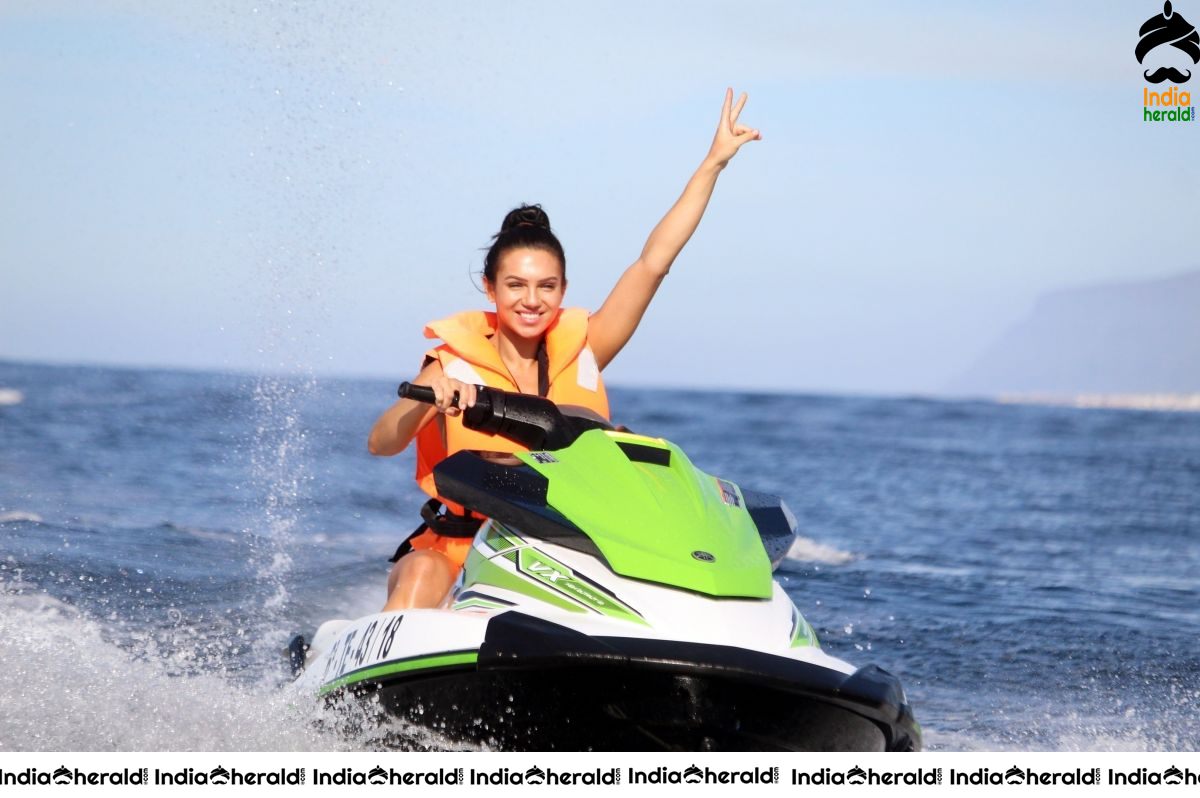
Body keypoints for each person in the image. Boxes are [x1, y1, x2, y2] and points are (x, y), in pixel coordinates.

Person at [368, 88, 760, 611]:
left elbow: (652, 263)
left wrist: (713, 164)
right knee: (418, 578)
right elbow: (382, 443)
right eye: (516, 286)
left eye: (546, 287)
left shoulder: (587, 347)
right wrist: (427, 397)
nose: (532, 301)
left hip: (566, 549)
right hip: (462, 545)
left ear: (563, 290)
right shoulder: (450, 362)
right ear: (490, 289)